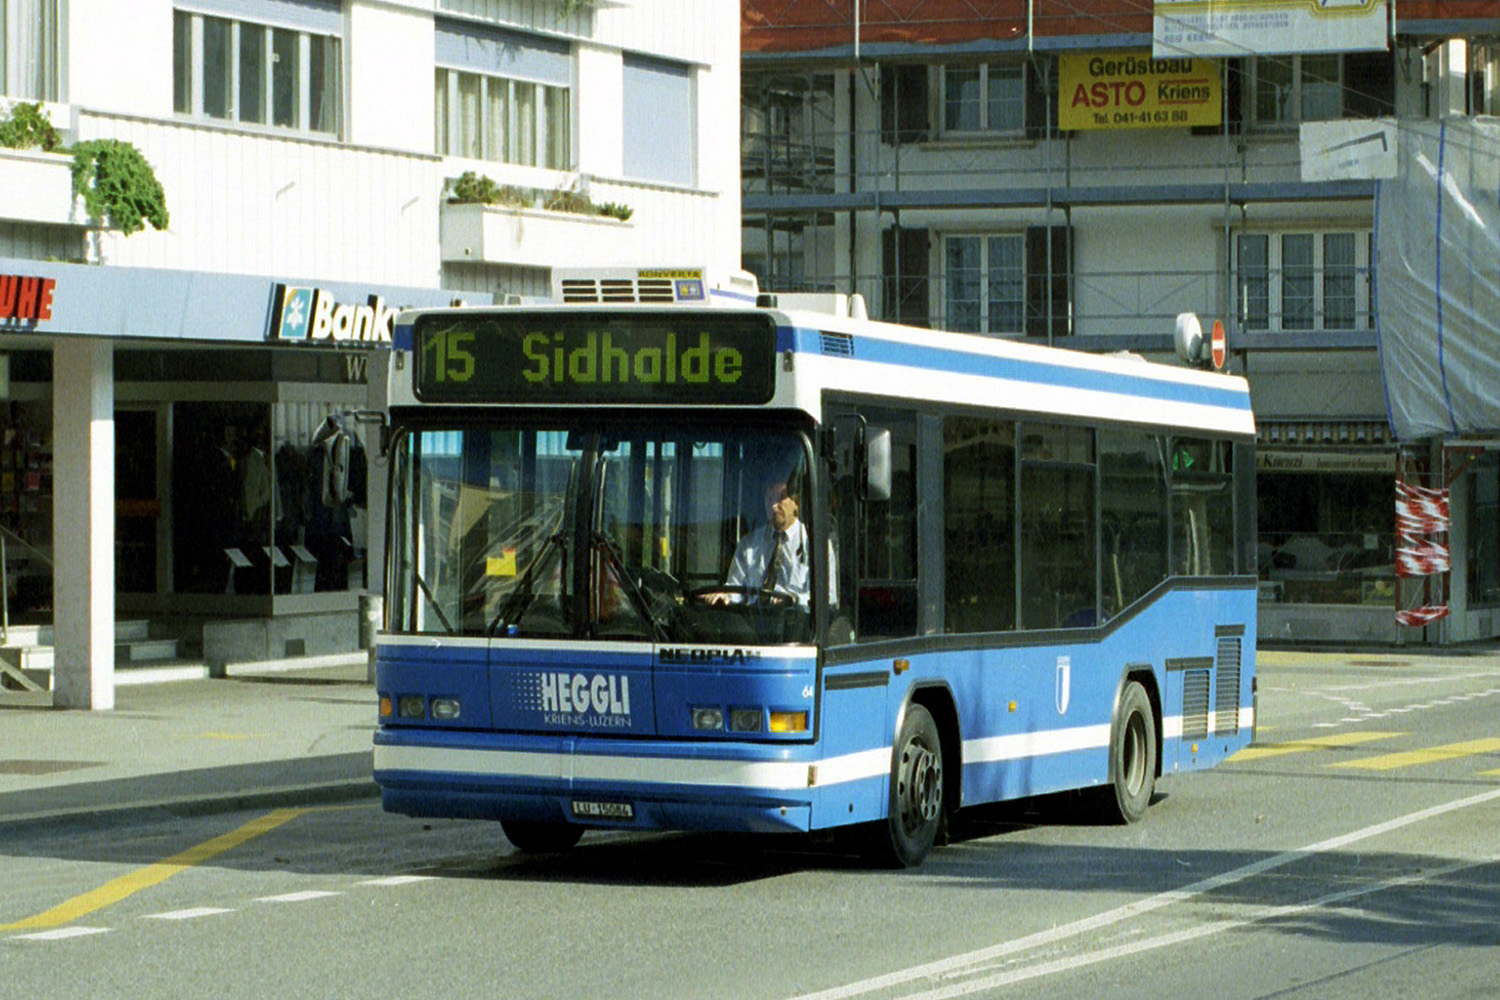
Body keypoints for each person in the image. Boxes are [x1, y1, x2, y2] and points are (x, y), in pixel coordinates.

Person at [721, 474, 812, 605]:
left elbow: (828, 598)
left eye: (780, 498)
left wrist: (794, 599)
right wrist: (726, 597)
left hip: (797, 621)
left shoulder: (815, 544)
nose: (774, 506)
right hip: (753, 620)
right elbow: (736, 587)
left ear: (796, 502)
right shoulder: (749, 543)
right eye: (769, 499)